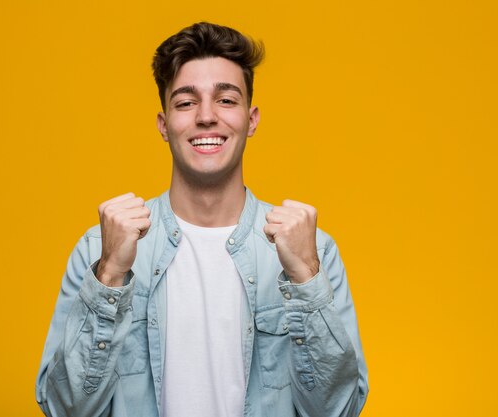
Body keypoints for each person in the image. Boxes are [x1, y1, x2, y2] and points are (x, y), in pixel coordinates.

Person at [36, 22, 368, 417]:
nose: (207, 117)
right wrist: (109, 275)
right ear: (164, 124)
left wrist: (306, 280)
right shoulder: (99, 249)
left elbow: (340, 410)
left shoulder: (314, 251)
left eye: (227, 100)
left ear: (252, 119)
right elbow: (64, 408)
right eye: (185, 102)